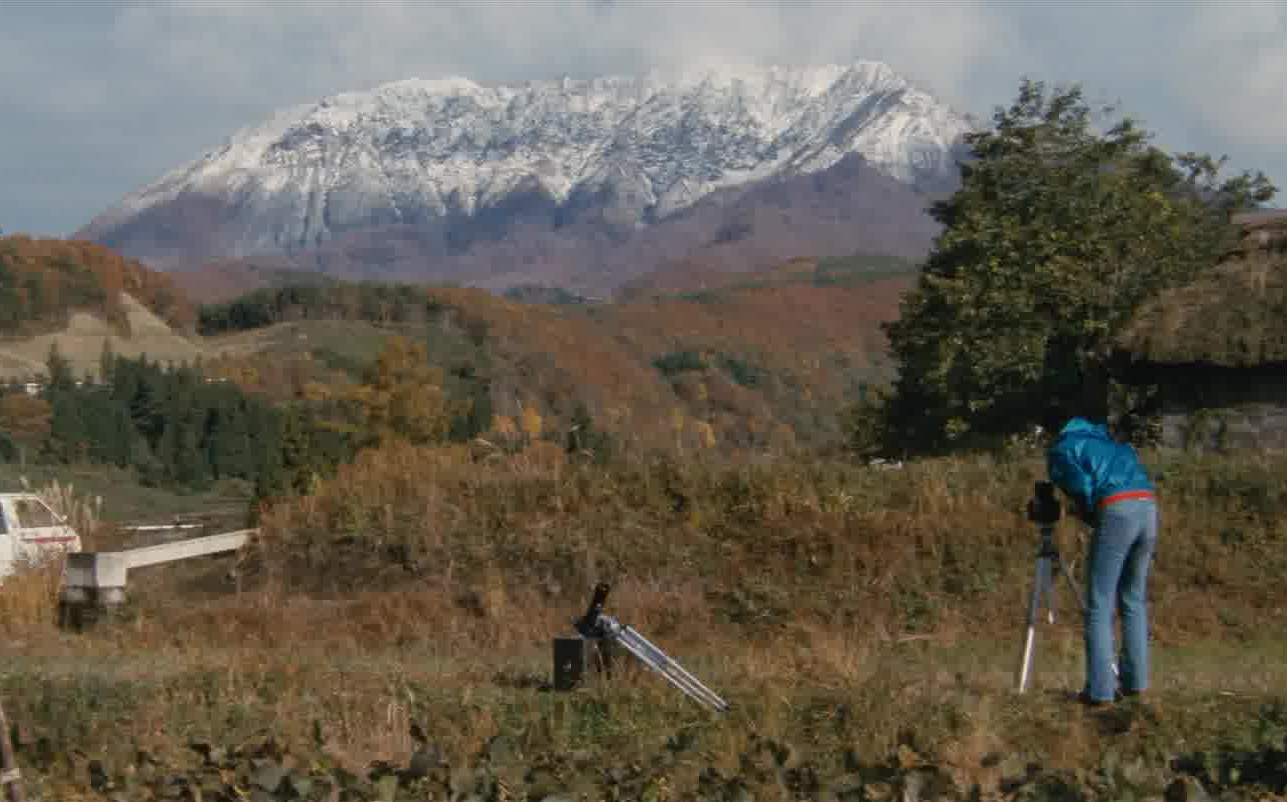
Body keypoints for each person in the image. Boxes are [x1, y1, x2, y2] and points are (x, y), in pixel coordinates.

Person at [1044, 413, 1159, 707]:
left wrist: (1083, 511)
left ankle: (1100, 692)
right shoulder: (1114, 446)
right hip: (1148, 509)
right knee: (1133, 598)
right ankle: (1137, 683)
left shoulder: (1064, 448)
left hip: (1117, 510)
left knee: (1100, 602)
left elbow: (1081, 486)